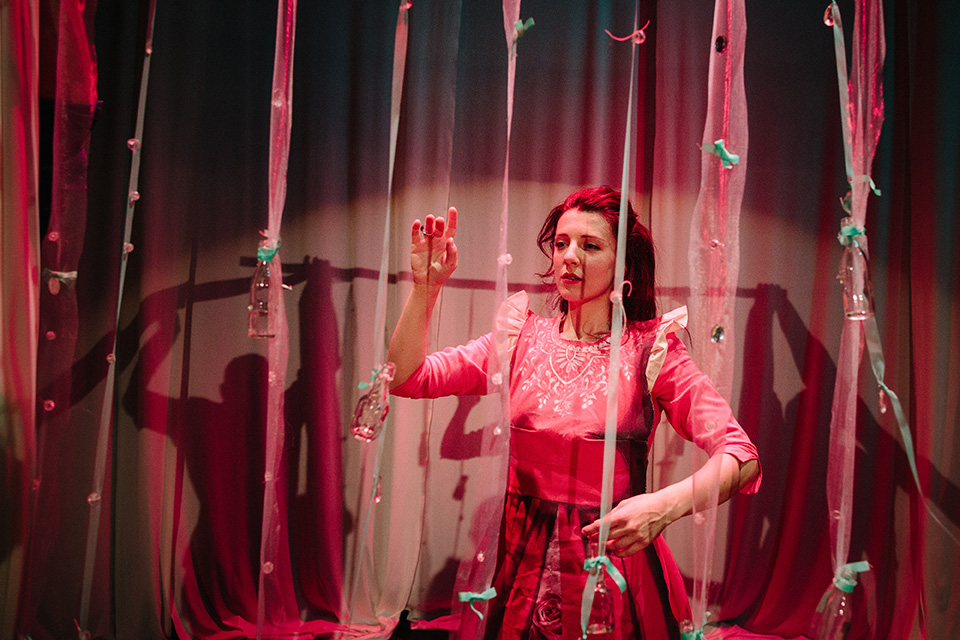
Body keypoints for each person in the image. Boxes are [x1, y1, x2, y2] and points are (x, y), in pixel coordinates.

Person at [388, 186, 761, 639]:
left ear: (624, 267)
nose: (569, 257)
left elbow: (741, 456)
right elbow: (408, 379)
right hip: (516, 562)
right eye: (562, 243)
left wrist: (664, 507)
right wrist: (425, 290)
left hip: (610, 562)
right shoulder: (520, 338)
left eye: (591, 246)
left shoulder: (651, 351)